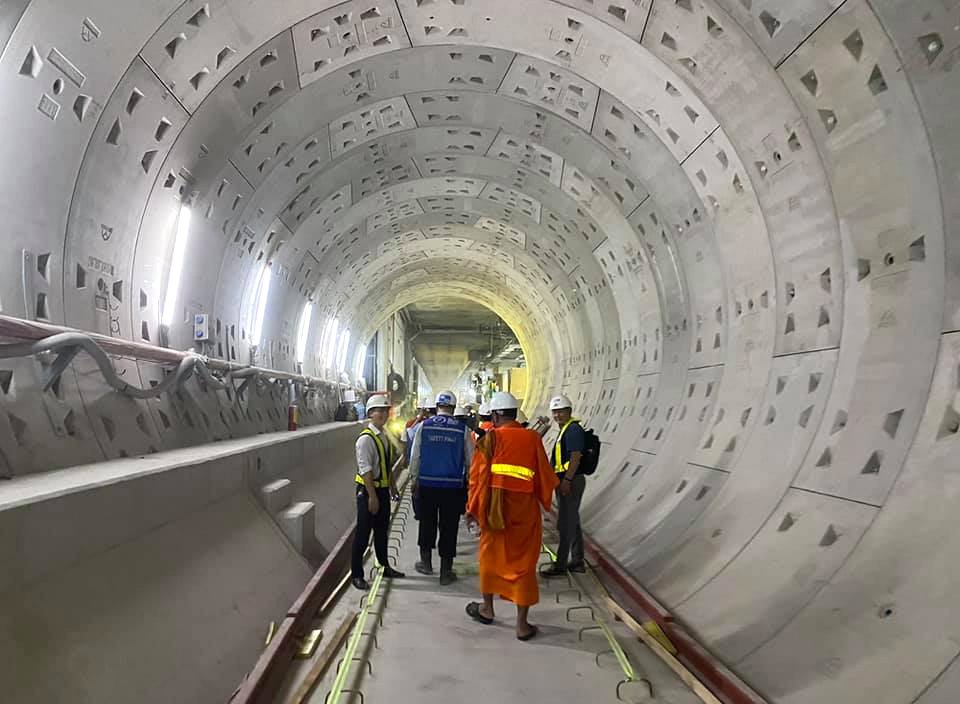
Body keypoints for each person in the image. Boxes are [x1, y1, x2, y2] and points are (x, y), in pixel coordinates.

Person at [464, 391, 558, 641]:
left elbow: (477, 479)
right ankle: (522, 625)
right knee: (524, 564)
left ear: (495, 416)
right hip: (524, 513)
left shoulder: (489, 440)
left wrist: (473, 509)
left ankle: (487, 609)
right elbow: (544, 476)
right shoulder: (532, 438)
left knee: (490, 557)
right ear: (515, 414)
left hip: (494, 512)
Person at [409, 391, 474, 584]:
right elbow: (471, 461)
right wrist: (470, 484)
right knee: (449, 527)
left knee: (426, 523)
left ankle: (426, 563)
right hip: (452, 487)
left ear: (437, 407)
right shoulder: (462, 430)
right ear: (453, 408)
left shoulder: (424, 426)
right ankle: (446, 572)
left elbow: (415, 456)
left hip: (427, 484)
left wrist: (414, 480)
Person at [351, 394, 406, 590]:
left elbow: (386, 465)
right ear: (370, 414)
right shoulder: (365, 440)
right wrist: (372, 497)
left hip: (381, 491)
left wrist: (392, 487)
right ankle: (357, 575)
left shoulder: (383, 435)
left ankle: (384, 565)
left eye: (385, 410)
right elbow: (365, 470)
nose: (383, 414)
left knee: (382, 531)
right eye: (378, 411)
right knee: (363, 534)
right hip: (368, 492)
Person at [541, 394, 587, 576]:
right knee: (572, 521)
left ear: (569, 411)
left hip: (571, 481)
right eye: (555, 412)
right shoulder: (565, 429)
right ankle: (577, 561)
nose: (557, 415)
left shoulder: (573, 430)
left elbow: (576, 457)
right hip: (565, 480)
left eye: (561, 411)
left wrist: (567, 480)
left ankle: (560, 565)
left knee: (565, 524)